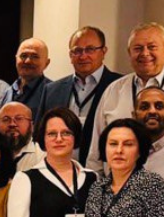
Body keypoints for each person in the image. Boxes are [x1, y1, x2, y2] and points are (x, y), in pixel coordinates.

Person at [87, 22, 164, 171]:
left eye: (152, 47)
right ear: (129, 53)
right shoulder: (113, 90)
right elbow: (96, 151)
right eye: (138, 48)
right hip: (116, 182)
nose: (145, 53)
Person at [42, 26, 121, 165]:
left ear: (104, 51)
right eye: (77, 51)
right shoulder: (52, 90)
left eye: (90, 49)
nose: (83, 56)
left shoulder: (119, 86)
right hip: (59, 169)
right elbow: (40, 134)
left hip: (105, 169)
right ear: (70, 55)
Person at [11, 38, 52, 124]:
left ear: (47, 63)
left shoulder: (53, 92)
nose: (27, 61)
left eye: (35, 57)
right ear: (16, 59)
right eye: (23, 56)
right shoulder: (7, 91)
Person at [0, 101, 45, 171]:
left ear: (31, 126)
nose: (12, 124)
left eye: (19, 118)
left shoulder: (42, 158)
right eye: (6, 119)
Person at [135, 86, 164, 176]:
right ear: (134, 115)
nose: (152, 111)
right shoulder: (123, 151)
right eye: (144, 107)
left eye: (159, 107)